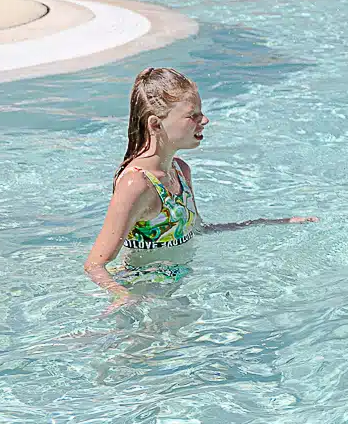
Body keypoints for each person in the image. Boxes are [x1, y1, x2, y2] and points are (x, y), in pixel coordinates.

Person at [83, 68, 314, 304]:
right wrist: (127, 299)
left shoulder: (180, 171)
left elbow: (198, 230)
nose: (204, 120)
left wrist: (269, 224)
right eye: (192, 115)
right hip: (145, 298)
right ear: (155, 124)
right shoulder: (137, 183)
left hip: (177, 292)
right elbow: (95, 265)